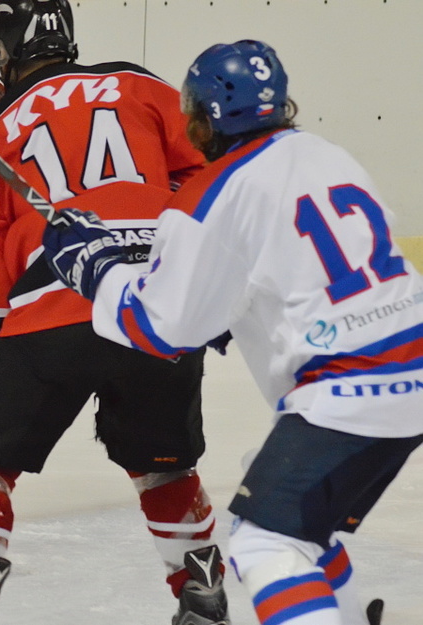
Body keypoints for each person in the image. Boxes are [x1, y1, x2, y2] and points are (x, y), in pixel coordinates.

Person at [42, 39, 420, 625]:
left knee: (266, 544)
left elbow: (160, 328)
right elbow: (309, 268)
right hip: (410, 368)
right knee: (278, 498)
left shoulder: (212, 194)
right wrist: (228, 312)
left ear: (203, 121)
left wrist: (93, 267)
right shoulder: (327, 155)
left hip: (348, 393)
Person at [0, 2, 231, 624]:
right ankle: (202, 594)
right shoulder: (139, 84)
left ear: (2, 51)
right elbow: (211, 177)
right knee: (164, 464)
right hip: (156, 307)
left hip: (53, 307)